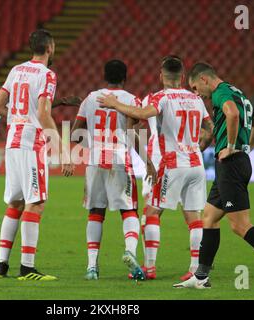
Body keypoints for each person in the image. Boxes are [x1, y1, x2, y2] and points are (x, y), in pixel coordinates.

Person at [173, 62, 254, 291]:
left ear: (204, 79)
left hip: (231, 164)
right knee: (209, 218)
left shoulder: (221, 94)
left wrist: (232, 146)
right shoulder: (237, 92)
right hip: (235, 162)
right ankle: (201, 276)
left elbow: (231, 114)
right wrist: (247, 148)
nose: (195, 93)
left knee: (240, 225)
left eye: (194, 87)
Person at [97, 56, 214, 281]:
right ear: (182, 76)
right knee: (194, 217)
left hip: (171, 165)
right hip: (196, 164)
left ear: (161, 76)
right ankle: (195, 270)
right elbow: (209, 127)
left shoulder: (158, 98)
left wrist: (115, 104)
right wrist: (199, 147)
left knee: (151, 213)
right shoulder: (196, 98)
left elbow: (141, 115)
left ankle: (149, 268)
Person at [0, 29, 74, 281]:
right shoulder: (47, 75)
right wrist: (63, 150)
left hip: (13, 142)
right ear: (50, 48)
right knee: (35, 203)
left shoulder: (16, 70)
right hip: (31, 143)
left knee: (15, 202)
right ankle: (27, 268)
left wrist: (17, 120)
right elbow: (43, 114)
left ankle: (1, 266)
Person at [71, 60, 156, 281]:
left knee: (96, 213)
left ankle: (91, 267)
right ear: (125, 78)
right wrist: (147, 161)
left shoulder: (90, 99)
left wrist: (95, 147)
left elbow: (74, 134)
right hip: (120, 159)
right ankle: (129, 251)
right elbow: (132, 134)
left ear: (104, 76)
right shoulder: (130, 100)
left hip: (95, 161)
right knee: (128, 210)